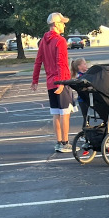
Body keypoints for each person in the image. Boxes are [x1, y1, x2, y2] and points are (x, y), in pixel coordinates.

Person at [32, 12, 74, 154]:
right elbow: (61, 62)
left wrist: (35, 80)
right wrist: (62, 83)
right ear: (56, 24)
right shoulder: (60, 41)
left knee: (56, 113)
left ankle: (58, 142)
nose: (64, 25)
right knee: (65, 113)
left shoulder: (43, 41)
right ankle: (65, 142)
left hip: (50, 82)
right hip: (60, 81)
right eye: (62, 23)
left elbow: (38, 61)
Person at [70, 55, 89, 127]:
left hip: (88, 99)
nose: (86, 65)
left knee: (87, 117)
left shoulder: (85, 74)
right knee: (86, 117)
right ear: (79, 67)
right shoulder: (80, 77)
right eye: (84, 64)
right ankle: (84, 133)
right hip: (83, 100)